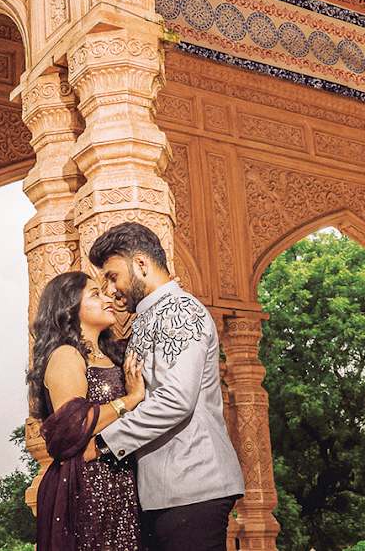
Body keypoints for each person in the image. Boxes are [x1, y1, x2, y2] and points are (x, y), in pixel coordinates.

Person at [89, 222, 247, 551]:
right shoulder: (151, 315)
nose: (109, 289)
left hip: (194, 484)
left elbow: (176, 400)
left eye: (113, 276)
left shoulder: (179, 311)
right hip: (169, 489)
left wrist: (102, 443)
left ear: (142, 265)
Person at [29, 270, 147, 550]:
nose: (107, 298)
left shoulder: (113, 354)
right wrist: (130, 400)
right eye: (95, 294)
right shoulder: (66, 355)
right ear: (70, 308)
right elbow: (74, 425)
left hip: (122, 482)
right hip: (86, 487)